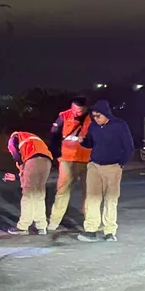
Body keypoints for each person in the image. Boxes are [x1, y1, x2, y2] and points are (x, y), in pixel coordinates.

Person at [77, 100, 135, 242]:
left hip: (113, 167)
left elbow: (129, 147)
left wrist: (121, 163)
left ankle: (109, 231)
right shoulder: (93, 126)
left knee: (111, 199)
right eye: (93, 116)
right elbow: (91, 143)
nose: (96, 119)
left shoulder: (120, 125)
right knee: (92, 198)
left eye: (98, 116)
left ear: (106, 114)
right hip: (94, 166)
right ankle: (91, 230)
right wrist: (83, 142)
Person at [47, 96, 92, 231]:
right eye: (73, 110)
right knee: (62, 191)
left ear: (85, 109)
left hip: (88, 160)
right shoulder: (64, 117)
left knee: (90, 193)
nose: (75, 113)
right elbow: (53, 137)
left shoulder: (92, 117)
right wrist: (57, 156)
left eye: (79, 111)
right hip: (67, 160)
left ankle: (91, 223)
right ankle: (54, 222)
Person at [3, 130, 54, 235]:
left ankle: (23, 227)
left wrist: (21, 172)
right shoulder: (31, 137)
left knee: (28, 194)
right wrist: (18, 176)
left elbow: (17, 156)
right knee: (39, 195)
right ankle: (41, 226)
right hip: (47, 162)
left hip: (33, 161)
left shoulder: (14, 138)